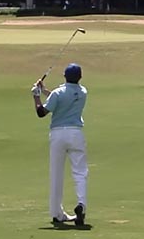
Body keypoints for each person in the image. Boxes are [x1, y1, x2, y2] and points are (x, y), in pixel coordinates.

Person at [31, 63, 89, 226]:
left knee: (56, 174)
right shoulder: (83, 92)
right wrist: (44, 91)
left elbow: (42, 112)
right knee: (80, 172)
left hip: (58, 135)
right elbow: (62, 99)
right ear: (80, 77)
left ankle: (57, 213)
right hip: (76, 134)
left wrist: (36, 96)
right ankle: (81, 206)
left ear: (64, 76)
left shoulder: (57, 93)